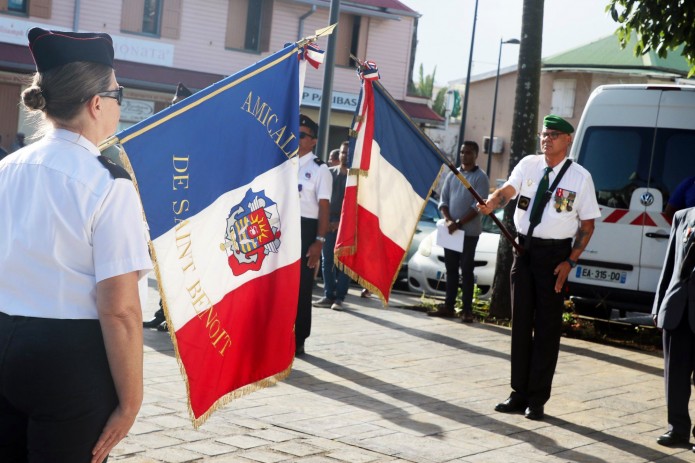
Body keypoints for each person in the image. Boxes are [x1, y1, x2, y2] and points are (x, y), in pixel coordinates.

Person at [0, 28, 152, 463]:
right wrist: (131, 401)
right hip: (69, 359)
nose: (120, 102)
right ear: (96, 103)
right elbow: (119, 309)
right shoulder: (107, 183)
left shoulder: (8, 167)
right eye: (117, 91)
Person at [478, 115, 600, 421]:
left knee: (546, 328)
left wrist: (569, 261)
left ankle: (537, 398)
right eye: (544, 134)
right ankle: (518, 392)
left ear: (568, 140)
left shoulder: (580, 177)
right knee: (520, 323)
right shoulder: (528, 165)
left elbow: (587, 224)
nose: (547, 139)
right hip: (524, 250)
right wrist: (492, 202)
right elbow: (507, 191)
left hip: (554, 256)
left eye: (554, 135)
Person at [144, 82, 194, 331]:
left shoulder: (196, 136)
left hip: (186, 211)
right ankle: (162, 312)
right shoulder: (165, 132)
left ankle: (177, 317)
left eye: (179, 104)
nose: (174, 108)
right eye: (173, 104)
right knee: (163, 265)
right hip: (164, 209)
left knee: (181, 266)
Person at [428, 141, 489, 323]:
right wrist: (448, 220)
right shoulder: (453, 175)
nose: (464, 155)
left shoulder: (480, 178)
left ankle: (467, 310)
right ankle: (448, 306)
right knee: (451, 270)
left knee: (467, 270)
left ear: (476, 155)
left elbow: (477, 205)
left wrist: (459, 222)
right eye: (462, 152)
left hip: (469, 233)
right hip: (451, 232)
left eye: (468, 152)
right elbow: (443, 200)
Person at [652, 206, 695, 449]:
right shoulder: (683, 217)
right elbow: (669, 264)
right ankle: (677, 429)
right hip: (677, 308)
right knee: (675, 376)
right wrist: (659, 306)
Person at [295, 114, 331, 356]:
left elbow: (324, 207)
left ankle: (298, 339)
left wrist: (319, 242)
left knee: (302, 287)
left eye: (302, 135)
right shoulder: (285, 162)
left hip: (307, 229)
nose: (296, 139)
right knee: (280, 285)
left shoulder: (320, 169)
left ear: (313, 141)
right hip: (284, 227)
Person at [314, 141, 351, 311]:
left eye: (348, 153)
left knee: (345, 263)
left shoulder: (357, 179)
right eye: (343, 152)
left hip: (348, 224)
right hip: (327, 222)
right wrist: (327, 222)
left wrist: (340, 223)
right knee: (326, 260)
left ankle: (339, 298)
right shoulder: (329, 173)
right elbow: (321, 199)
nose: (345, 156)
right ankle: (328, 295)